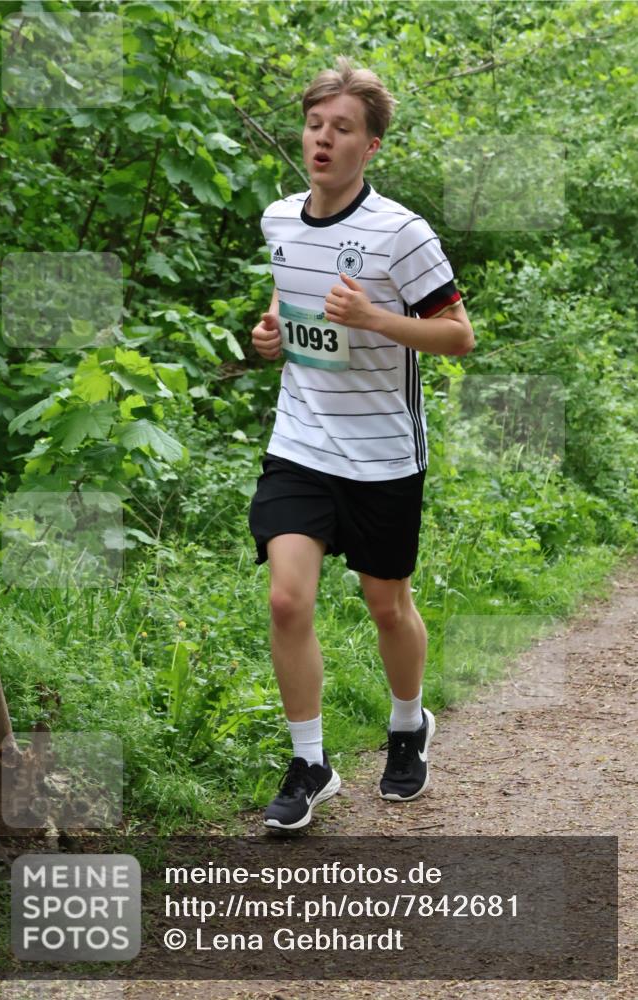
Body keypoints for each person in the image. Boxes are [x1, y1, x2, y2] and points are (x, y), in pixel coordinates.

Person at [249, 56, 474, 832]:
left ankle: (407, 725)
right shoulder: (279, 219)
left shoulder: (401, 234)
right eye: (315, 124)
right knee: (286, 598)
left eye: (342, 128)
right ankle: (310, 760)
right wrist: (273, 331)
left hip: (382, 451)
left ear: (370, 146)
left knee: (386, 605)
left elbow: (457, 336)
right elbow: (289, 294)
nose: (322, 139)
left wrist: (377, 319)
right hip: (300, 438)